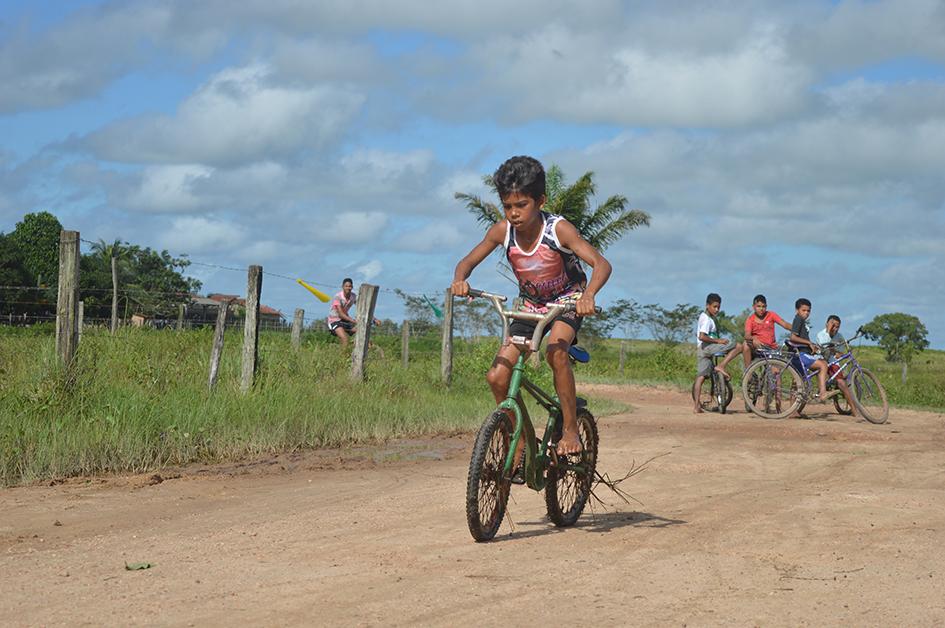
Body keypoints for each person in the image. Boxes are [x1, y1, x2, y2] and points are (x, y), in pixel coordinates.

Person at [451, 155, 611, 460]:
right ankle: (520, 438)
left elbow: (601, 264)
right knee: (497, 377)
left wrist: (588, 296)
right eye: (507, 206)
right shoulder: (502, 232)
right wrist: (460, 279)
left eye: (521, 205)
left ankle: (570, 430)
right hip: (530, 305)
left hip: (566, 302)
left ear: (540, 201)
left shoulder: (558, 230)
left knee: (556, 352)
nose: (513, 213)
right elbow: (467, 262)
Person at [693, 293, 743, 413]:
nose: (717, 309)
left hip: (701, 349)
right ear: (707, 305)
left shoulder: (705, 317)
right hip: (707, 346)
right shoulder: (706, 319)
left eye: (718, 307)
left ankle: (696, 406)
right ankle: (721, 366)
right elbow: (702, 336)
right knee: (739, 346)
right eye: (714, 306)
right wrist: (718, 341)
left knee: (701, 377)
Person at [816, 314, 858, 416]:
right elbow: (825, 347)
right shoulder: (821, 334)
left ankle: (853, 408)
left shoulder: (839, 336)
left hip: (833, 362)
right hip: (822, 361)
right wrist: (829, 331)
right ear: (827, 324)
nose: (835, 328)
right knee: (839, 382)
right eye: (832, 325)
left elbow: (842, 347)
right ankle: (854, 410)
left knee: (842, 382)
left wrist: (839, 352)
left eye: (837, 326)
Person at [788, 298, 829, 403]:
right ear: (797, 310)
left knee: (798, 382)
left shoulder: (802, 321)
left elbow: (802, 340)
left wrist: (812, 347)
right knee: (823, 365)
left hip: (800, 354)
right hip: (800, 354)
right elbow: (793, 337)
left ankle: (793, 411)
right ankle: (822, 392)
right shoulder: (798, 319)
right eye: (804, 310)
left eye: (808, 311)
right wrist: (809, 343)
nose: (806, 313)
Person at [742, 294, 792, 368]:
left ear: (766, 306)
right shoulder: (750, 319)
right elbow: (747, 335)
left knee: (776, 373)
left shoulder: (771, 315)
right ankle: (748, 373)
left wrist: (796, 329)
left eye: (763, 306)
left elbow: (784, 324)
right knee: (745, 344)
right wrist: (753, 338)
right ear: (753, 307)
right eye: (758, 306)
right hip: (758, 348)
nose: (761, 309)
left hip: (771, 348)